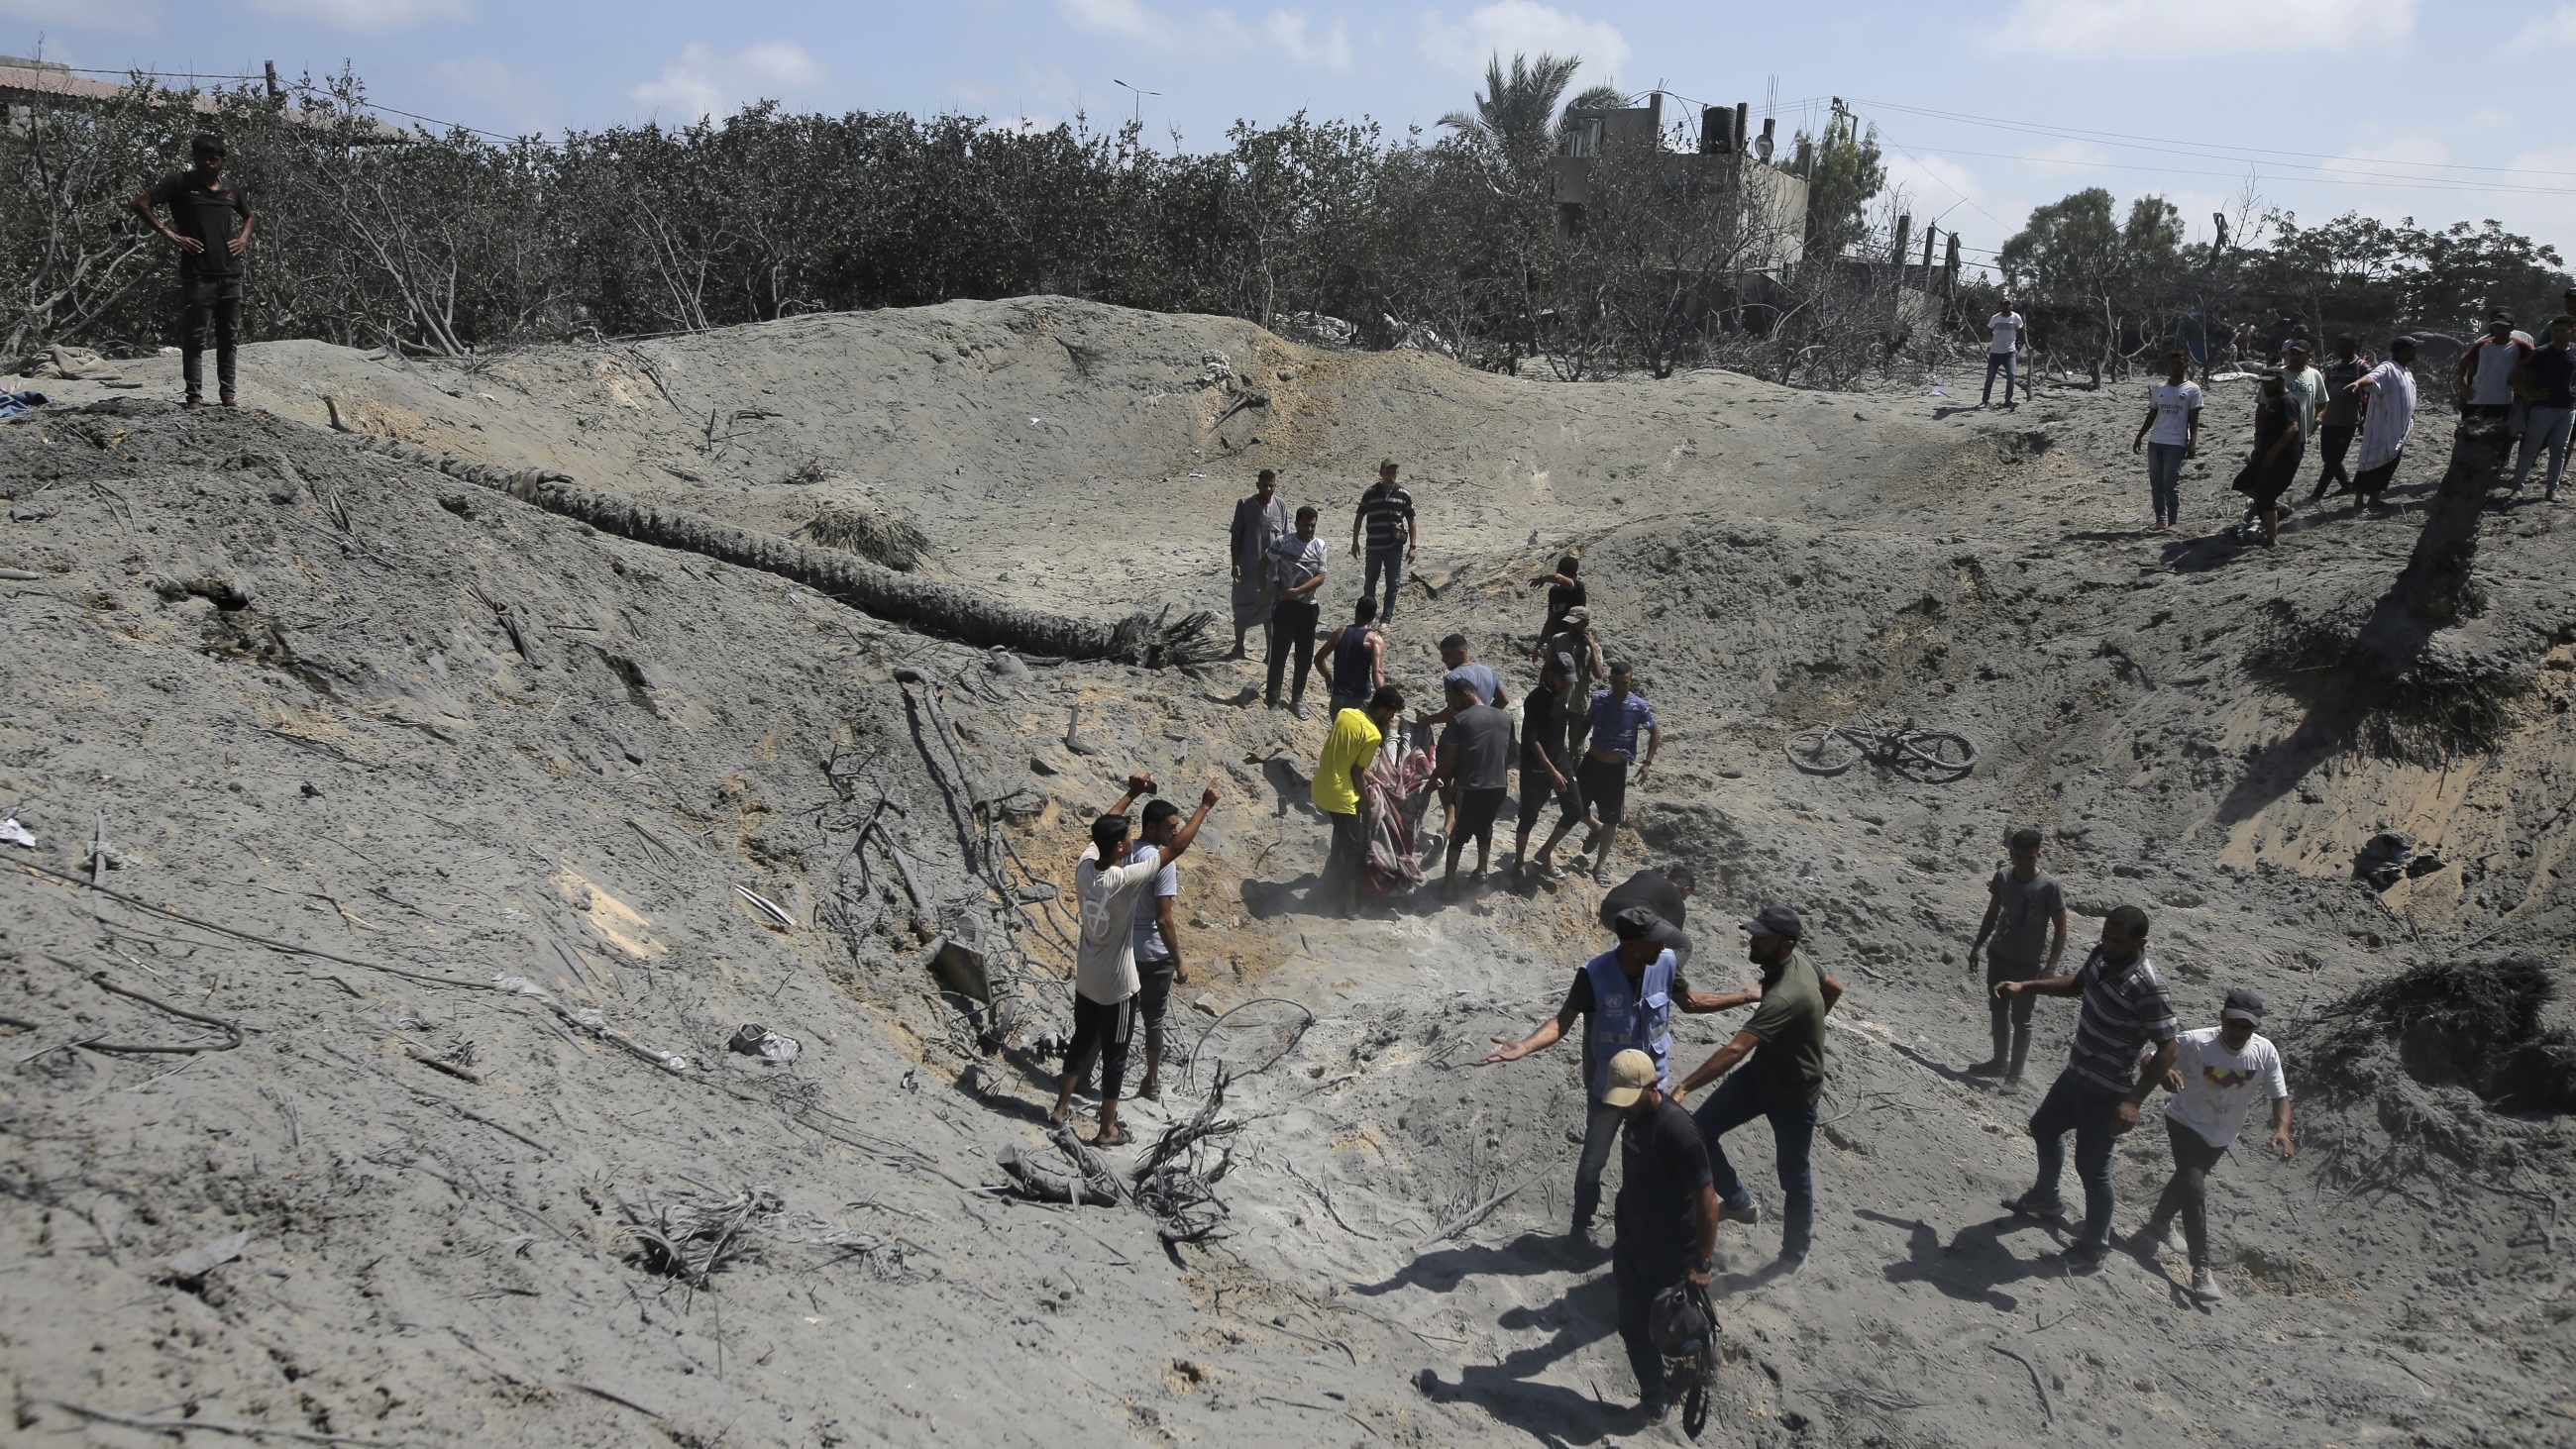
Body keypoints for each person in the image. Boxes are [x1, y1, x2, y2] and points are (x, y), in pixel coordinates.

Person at [1479, 908, 1742, 1247]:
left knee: (1655, 1161)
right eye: (1654, 940)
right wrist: (1526, 1046)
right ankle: (1581, 1228)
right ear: (1632, 944)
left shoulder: (1664, 963)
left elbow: (1690, 1002)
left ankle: (1648, 1230)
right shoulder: (1594, 975)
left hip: (1652, 1089)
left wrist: (1744, 996)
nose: (1662, 945)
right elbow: (1562, 1022)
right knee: (1593, 1160)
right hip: (1609, 1089)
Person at [1996, 905, 2179, 1272]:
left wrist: (2133, 1101)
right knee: (2043, 1127)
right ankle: (2047, 1197)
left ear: (2140, 942)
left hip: (2108, 1091)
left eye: (2117, 940)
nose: (2108, 944)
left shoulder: (2148, 987)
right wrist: (2025, 986)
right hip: (2077, 1074)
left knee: (2093, 1169)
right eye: (2105, 936)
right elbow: (2079, 984)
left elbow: (2168, 1047)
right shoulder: (2101, 955)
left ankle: (2093, 1248)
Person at [1672, 904, 1844, 1269]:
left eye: (1762, 938)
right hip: (1759, 1075)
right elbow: (1833, 988)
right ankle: (1737, 1202)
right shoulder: (1797, 962)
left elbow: (1735, 1049)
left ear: (1786, 944)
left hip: (1794, 1095)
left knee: (1794, 1177)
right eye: (1755, 933)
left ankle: (1793, 1255)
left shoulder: (1784, 996)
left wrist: (1683, 1087)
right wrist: (1804, 1025)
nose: (1753, 941)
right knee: (1700, 1133)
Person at [1055, 775, 1220, 1146]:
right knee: (1116, 1054)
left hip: (1086, 976)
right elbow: (1176, 849)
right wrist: (1205, 806)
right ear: (1118, 847)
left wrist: (1132, 793)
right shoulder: (1126, 879)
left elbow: (1102, 827)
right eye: (1127, 837)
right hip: (1117, 984)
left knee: (1082, 1039)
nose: (1133, 840)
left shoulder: (1085, 868)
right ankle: (1107, 1128)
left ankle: (1061, 1107)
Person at [2133, 987, 2292, 1305]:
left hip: (2222, 1134)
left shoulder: (2265, 1052)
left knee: (2187, 1181)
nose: (2237, 1032)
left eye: (2246, 1027)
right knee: (2194, 1187)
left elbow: (2280, 1096)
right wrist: (2163, 1071)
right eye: (2233, 1024)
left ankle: (2160, 1222)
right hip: (2184, 1120)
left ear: (2256, 1027)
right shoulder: (2197, 1041)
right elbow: (2149, 1056)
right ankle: (2201, 1267)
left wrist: (2283, 1129)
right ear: (2222, 1018)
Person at [1601, 1048, 1719, 1419]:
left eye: (1628, 1098)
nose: (1622, 1107)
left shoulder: (1678, 1130)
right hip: (1632, 1246)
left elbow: (1708, 1201)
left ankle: (1703, 1338)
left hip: (1673, 1254)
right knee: (1633, 1327)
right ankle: (1655, 1394)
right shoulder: (1632, 1115)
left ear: (1652, 1086)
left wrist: (1703, 1261)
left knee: (1670, 1336)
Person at [132, 133, 257, 411]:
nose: (208, 163)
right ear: (195, 157)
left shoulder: (230, 189)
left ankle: (228, 396)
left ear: (222, 161)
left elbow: (250, 215)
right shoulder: (180, 183)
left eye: (214, 159)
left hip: (230, 273)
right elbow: (140, 203)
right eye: (202, 157)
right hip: (198, 273)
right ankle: (195, 398)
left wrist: (244, 238)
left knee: (229, 337)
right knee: (195, 338)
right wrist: (171, 235)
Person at [1966, 828, 2068, 1083]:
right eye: (2018, 856)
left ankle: (2015, 1075)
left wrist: (2050, 968)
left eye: (2029, 857)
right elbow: (1991, 914)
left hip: (2027, 965)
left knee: (2022, 1020)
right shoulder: (2002, 877)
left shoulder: (2049, 887)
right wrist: (1977, 946)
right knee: (1998, 1010)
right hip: (1999, 957)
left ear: (2038, 856)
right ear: (2010, 854)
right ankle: (1999, 1062)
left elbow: (2061, 929)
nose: (2023, 863)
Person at [1313, 685, 1402, 917]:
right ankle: (1351, 902)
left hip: (1321, 785)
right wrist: (1363, 799)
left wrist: (1365, 773)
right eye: (1391, 714)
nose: (1391, 718)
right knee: (1353, 849)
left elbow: (1345, 754)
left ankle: (1332, 863)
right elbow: (1355, 773)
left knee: (1341, 827)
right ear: (1382, 710)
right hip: (1341, 794)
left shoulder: (1345, 713)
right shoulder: (1372, 734)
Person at [1418, 634, 1511, 845]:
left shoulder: (1453, 678)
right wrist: (1486, 718)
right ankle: (1452, 825)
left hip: (1455, 735)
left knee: (1443, 778)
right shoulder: (1489, 672)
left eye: (1447, 655)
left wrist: (1427, 719)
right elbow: (1504, 699)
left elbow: (1452, 711)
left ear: (1461, 652)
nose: (1444, 660)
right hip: (1480, 740)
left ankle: (1449, 824)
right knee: (1462, 783)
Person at [1126, 798, 1189, 1102]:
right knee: (1154, 1020)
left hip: (1124, 949)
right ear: (1151, 827)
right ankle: (1151, 1082)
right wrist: (1179, 961)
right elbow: (1164, 919)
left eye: (1177, 826)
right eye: (1170, 827)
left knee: (1115, 1017)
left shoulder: (1123, 852)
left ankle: (1085, 1076)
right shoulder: (1163, 862)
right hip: (1153, 953)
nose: (1175, 833)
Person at [1574, 662, 1659, 887]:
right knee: (1573, 807)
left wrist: (1647, 762)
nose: (1620, 686)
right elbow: (1587, 720)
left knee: (1611, 818)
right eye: (1616, 682)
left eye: (1624, 682)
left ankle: (1600, 865)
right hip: (1591, 762)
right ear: (1610, 680)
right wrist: (1574, 745)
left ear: (1631, 681)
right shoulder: (1599, 699)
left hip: (1615, 769)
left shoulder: (1638, 706)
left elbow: (1655, 731)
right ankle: (1595, 828)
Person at [1431, 678, 1513, 894]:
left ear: (1465, 696)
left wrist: (1434, 776)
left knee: (1458, 831)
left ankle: (1448, 885)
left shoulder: (1460, 720)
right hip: (1499, 786)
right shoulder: (1506, 717)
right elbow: (1512, 754)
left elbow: (1449, 761)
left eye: (1453, 701)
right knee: (1485, 824)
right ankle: (1482, 869)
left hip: (1471, 787)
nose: (1451, 707)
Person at [1512, 652, 1584, 882]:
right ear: (1551, 675)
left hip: (1560, 761)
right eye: (1564, 679)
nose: (1567, 684)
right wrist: (1551, 771)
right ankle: (1519, 863)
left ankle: (1544, 853)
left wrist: (1565, 760)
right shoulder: (1536, 699)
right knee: (1529, 816)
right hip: (1537, 767)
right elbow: (1532, 740)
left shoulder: (1560, 696)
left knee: (1574, 809)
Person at [1262, 505, 1329, 715]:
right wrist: (1269, 587)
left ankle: (1297, 698)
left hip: (1308, 608)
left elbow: (1320, 577)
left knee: (1304, 655)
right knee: (1279, 652)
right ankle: (1272, 698)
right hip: (1284, 607)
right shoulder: (1283, 542)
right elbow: (1264, 564)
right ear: (1296, 523)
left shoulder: (1320, 545)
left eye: (1312, 525)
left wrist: (1296, 591)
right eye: (1305, 525)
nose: (1309, 529)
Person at [2129, 350, 2201, 531]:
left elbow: (2194, 419)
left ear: (2186, 365)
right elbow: (2152, 414)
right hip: (2156, 441)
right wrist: (2140, 436)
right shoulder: (2160, 388)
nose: (2176, 366)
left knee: (2171, 481)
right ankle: (2160, 519)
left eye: (2180, 363)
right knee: (2156, 482)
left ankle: (2173, 521)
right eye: (2173, 363)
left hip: (2176, 442)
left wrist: (2192, 442)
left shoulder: (2192, 389)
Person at [2231, 370, 2304, 548]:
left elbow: (2293, 428)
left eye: (2269, 383)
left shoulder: (2287, 400)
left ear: (2280, 381)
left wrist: (2274, 452)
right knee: (2242, 483)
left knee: (2266, 494)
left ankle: (2272, 540)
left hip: (2281, 457)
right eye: (2263, 383)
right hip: (2265, 455)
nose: (2266, 387)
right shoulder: (2274, 401)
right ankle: (2279, 508)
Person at [2508, 315, 2575, 503]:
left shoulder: (2575, 352)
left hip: (2568, 409)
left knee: (2558, 451)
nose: (2559, 334)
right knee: (2530, 449)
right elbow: (2515, 375)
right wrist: (2529, 396)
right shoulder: (2540, 352)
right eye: (2556, 330)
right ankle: (2517, 488)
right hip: (2543, 408)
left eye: (2563, 330)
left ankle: (2552, 489)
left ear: (2572, 331)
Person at [2349, 337, 2420, 511]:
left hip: (2400, 427)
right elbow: (2373, 377)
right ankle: (2358, 500)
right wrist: (2359, 382)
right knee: (2370, 461)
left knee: (2390, 463)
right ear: (2403, 350)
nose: (2415, 352)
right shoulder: (2388, 367)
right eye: (2413, 348)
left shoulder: (2406, 371)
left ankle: (2374, 499)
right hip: (2382, 426)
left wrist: (2411, 412)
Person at [1228, 468, 1291, 661]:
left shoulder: (1281, 505)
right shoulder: (1245, 504)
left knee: (1271, 611)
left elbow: (1286, 537)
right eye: (1265, 485)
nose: (1268, 489)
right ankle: (1239, 647)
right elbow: (1236, 536)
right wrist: (1235, 562)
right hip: (1248, 567)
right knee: (1241, 606)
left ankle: (1270, 652)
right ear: (1258, 485)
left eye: (1272, 485)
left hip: (1272, 570)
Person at [1351, 461, 1417, 626]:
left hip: (1394, 546)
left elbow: (1411, 521)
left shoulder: (1403, 494)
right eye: (1388, 473)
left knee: (1393, 583)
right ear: (1381, 473)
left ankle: (1386, 619)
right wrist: (1355, 541)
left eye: (1394, 472)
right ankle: (1368, 618)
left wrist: (1413, 547)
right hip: (1374, 546)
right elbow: (1359, 517)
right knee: (1370, 582)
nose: (1391, 476)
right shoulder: (1371, 493)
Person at [2308, 336, 2372, 502]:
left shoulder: (2362, 368)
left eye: (2345, 347)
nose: (2341, 350)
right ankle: (2346, 485)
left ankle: (2318, 493)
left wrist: (2365, 418)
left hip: (2348, 420)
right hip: (2329, 419)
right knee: (2327, 456)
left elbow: (2371, 394)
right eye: (2339, 346)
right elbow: (2323, 388)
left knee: (2333, 459)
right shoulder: (2333, 367)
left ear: (2354, 347)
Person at [2458, 310, 2533, 446]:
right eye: (2496, 326)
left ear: (2511, 328)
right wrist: (2464, 386)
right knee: (2467, 436)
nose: (2499, 330)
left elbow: (2536, 362)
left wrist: (2525, 390)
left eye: (2503, 327)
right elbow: (2463, 364)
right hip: (2477, 399)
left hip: (2503, 401)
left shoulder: (2521, 346)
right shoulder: (2482, 345)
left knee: (2498, 439)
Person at [1598, 865, 1694, 969]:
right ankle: (1663, 981)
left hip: (1606, 913)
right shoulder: (1677, 902)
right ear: (1686, 889)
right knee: (1684, 946)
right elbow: (1669, 946)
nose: (1684, 898)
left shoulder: (1645, 874)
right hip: (1636, 915)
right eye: (1687, 895)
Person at [1314, 595, 1386, 721]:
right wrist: (1385, 700)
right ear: (1374, 617)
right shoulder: (1374, 639)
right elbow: (1377, 672)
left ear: (1356, 612)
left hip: (1338, 700)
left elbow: (1318, 659)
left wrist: (1328, 677)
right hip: (1360, 701)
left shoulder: (1340, 633)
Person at [1539, 605, 1605, 715]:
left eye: (1574, 623)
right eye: (1569, 622)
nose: (1570, 626)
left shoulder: (1594, 648)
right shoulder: (1558, 639)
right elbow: (1547, 666)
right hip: (1557, 700)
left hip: (1578, 703)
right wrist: (1541, 690)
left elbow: (1598, 674)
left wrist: (1592, 647)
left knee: (1575, 733)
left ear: (1585, 623)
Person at [1980, 299, 2029, 408]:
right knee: (1990, 377)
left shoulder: (2016, 318)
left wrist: (2016, 341)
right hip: (1995, 352)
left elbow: (2021, 329)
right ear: (2000, 306)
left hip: (2009, 352)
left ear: (2012, 306)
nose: (2006, 306)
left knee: (2011, 375)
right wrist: (1995, 338)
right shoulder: (1995, 318)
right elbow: (1989, 329)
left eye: (2008, 304)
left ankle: (2008, 400)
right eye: (2004, 305)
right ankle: (1985, 401)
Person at [1528, 554, 1587, 636]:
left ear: (1575, 576)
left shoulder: (1577, 588)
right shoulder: (1554, 591)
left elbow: (1557, 578)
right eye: (1564, 576)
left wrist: (1542, 580)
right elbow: (1550, 621)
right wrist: (1539, 646)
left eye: (1570, 577)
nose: (1566, 580)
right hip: (1556, 640)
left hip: (1573, 639)